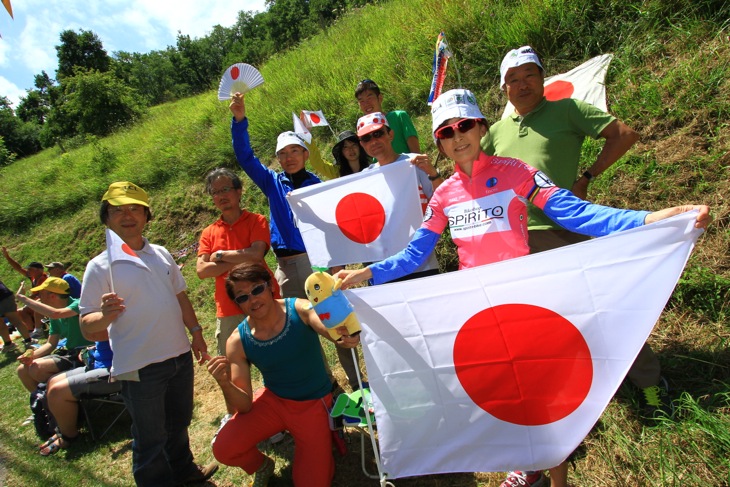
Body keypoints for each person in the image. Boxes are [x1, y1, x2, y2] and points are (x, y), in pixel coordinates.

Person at [336, 88, 713, 487]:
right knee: (504, 391)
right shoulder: (444, 194)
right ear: (439, 143)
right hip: (478, 307)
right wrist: (366, 275)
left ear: (481, 127)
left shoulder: (515, 171)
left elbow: (574, 212)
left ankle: (558, 477)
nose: (457, 135)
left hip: (523, 299)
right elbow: (415, 254)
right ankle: (527, 465)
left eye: (465, 125)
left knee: (540, 390)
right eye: (446, 131)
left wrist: (649, 219)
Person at [78, 181, 217, 487]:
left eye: (135, 209)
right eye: (118, 210)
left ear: (146, 215)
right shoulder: (99, 268)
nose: (127, 216)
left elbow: (180, 296)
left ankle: (185, 474)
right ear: (106, 217)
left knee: (179, 423)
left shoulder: (162, 254)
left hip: (179, 356)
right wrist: (105, 315)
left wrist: (196, 332)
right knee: (149, 439)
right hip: (139, 367)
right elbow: (87, 326)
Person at [230, 92, 360, 392]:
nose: (289, 158)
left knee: (336, 324)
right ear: (278, 159)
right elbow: (245, 157)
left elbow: (333, 227)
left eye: (295, 151)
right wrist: (239, 121)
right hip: (286, 268)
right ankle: (326, 387)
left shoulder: (318, 184)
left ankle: (358, 382)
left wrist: (336, 263)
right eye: (283, 154)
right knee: (298, 330)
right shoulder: (272, 182)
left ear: (304, 153)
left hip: (317, 264)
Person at [208, 262, 360, 487]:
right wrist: (225, 384)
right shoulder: (237, 342)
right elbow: (243, 407)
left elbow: (326, 326)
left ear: (270, 286)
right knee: (224, 447)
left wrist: (343, 335)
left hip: (313, 405)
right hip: (274, 402)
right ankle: (261, 465)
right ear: (237, 303)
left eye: (257, 289)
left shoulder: (299, 309)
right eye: (243, 297)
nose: (253, 299)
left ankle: (325, 437)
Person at [196, 167, 279, 356]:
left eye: (225, 189)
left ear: (238, 190)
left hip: (262, 297)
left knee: (281, 350)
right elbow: (201, 271)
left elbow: (257, 254)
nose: (220, 196)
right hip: (228, 306)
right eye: (215, 192)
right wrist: (243, 258)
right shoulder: (208, 232)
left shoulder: (257, 221)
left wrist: (219, 255)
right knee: (230, 361)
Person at [356, 111, 442, 281]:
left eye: (378, 133)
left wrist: (432, 173)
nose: (373, 141)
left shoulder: (414, 163)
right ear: (362, 144)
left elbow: (443, 200)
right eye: (366, 138)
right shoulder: (364, 178)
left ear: (390, 134)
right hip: (384, 269)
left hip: (421, 263)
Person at [39, 337, 121, 456]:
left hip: (116, 371)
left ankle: (69, 436)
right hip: (98, 363)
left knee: (57, 392)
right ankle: (63, 428)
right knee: (52, 381)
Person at [15, 277, 92, 393]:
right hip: (71, 354)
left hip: (86, 353)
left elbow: (56, 314)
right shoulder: (54, 313)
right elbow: (51, 343)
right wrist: (31, 356)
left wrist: (22, 298)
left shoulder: (78, 304)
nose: (39, 297)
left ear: (52, 296)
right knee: (22, 370)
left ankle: (56, 398)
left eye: (41, 293)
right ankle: (42, 402)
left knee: (37, 369)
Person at [355, 79, 421, 155]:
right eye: (361, 101)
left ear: (380, 98)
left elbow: (416, 153)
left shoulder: (399, 117)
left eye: (369, 98)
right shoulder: (362, 129)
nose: (366, 104)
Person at [2, 248, 48, 338]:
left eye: (31, 269)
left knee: (24, 310)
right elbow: (18, 268)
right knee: (20, 311)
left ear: (39, 270)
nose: (28, 271)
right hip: (36, 301)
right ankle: (31, 331)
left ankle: (38, 331)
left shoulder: (43, 278)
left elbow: (41, 294)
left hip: (44, 301)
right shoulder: (33, 277)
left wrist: (27, 299)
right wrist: (7, 257)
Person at [0, 277, 34, 352]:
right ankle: (9, 344)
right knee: (2, 324)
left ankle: (28, 340)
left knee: (15, 320)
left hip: (3, 296)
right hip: (4, 295)